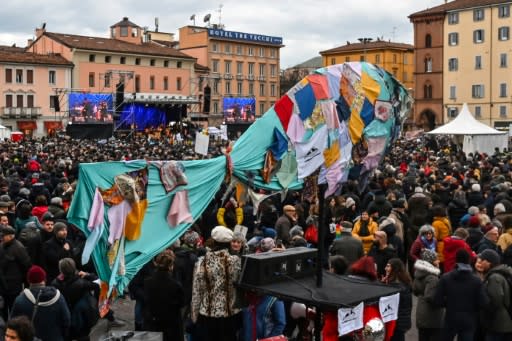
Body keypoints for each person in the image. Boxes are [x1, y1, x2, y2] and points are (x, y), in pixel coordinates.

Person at [191, 226, 242, 341]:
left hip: (207, 314)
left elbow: (196, 291)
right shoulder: (235, 261)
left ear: (213, 241)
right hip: (230, 314)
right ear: (229, 242)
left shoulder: (201, 262)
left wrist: (194, 315)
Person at [434, 249, 489, 341]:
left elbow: (437, 300)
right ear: (469, 260)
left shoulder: (446, 278)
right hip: (469, 319)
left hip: (451, 317)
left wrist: (449, 304)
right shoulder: (476, 280)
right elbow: (483, 302)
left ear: (456, 260)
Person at [11, 265, 70, 341]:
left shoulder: (20, 300)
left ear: (29, 280)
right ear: (44, 279)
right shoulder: (59, 297)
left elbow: (13, 324)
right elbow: (66, 320)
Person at [51, 258, 99, 341]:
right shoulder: (81, 283)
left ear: (61, 270)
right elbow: (99, 283)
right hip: (81, 318)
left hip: (65, 318)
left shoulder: (55, 284)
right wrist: (88, 275)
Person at [143, 249, 185, 341]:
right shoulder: (175, 285)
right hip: (172, 325)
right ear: (171, 266)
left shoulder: (148, 282)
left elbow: (146, 300)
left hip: (153, 323)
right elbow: (181, 303)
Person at [476, 249, 512, 340]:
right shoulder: (498, 274)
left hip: (498, 323)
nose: (480, 263)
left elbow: (496, 300)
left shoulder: (494, 277)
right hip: (502, 322)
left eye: (482, 260)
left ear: (489, 262)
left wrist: (485, 310)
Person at [0, 226, 31, 319]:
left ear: (11, 236)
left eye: (3, 236)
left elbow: (27, 265)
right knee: (3, 310)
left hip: (14, 286)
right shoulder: (2, 245)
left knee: (14, 310)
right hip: (2, 285)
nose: (1, 237)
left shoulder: (19, 248)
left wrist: (26, 285)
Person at [413, 249, 444, 341]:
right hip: (431, 317)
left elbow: (415, 291)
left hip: (421, 313)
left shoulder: (419, 274)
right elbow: (431, 296)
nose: (438, 261)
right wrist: (444, 301)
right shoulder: (432, 278)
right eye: (436, 259)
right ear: (431, 262)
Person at [381, 258, 412, 341]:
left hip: (397, 324)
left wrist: (383, 286)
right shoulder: (403, 283)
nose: (385, 268)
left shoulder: (396, 286)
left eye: (388, 266)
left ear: (395, 268)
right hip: (401, 323)